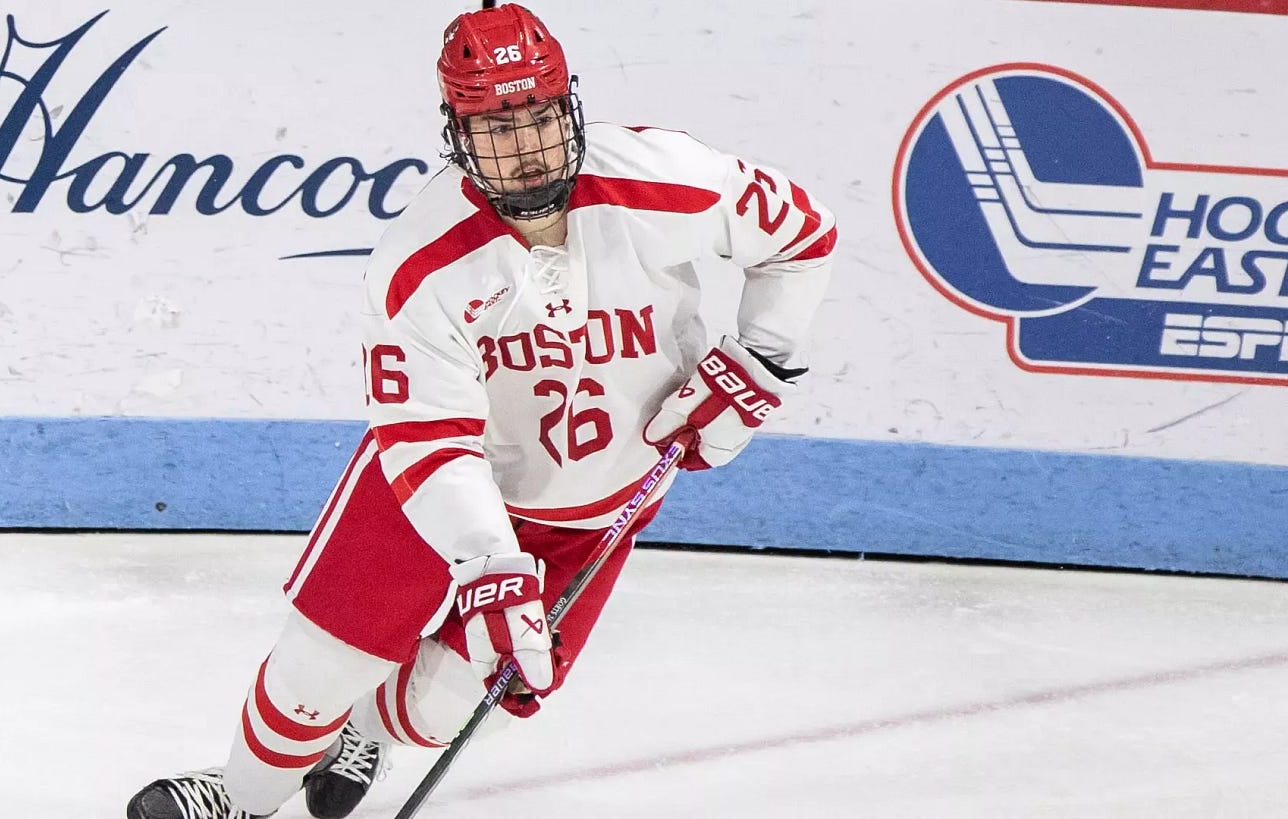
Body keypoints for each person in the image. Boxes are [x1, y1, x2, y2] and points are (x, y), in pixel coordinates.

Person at [127, 3, 836, 817]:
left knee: (475, 695)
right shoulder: (421, 260)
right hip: (432, 495)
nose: (526, 148)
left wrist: (759, 357)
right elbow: (430, 438)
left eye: (539, 116)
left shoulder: (667, 178)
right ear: (456, 131)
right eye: (496, 126)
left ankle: (370, 734)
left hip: (594, 506)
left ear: (571, 103)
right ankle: (242, 797)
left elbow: (804, 236)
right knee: (319, 665)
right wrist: (488, 565)